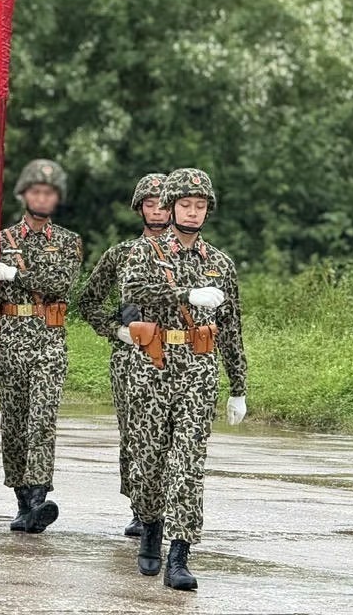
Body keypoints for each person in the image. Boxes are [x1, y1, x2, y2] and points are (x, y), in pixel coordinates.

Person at [122, 167, 248, 591]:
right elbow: (133, 290)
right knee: (149, 460)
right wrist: (183, 295)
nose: (193, 213)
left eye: (200, 206)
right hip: (152, 368)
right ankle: (151, 527)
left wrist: (239, 387)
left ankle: (180, 554)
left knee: (189, 463)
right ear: (171, 207)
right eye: (185, 205)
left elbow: (231, 327)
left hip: (198, 368)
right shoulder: (146, 252)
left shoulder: (221, 264)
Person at [0, 159, 82, 534]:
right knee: (15, 422)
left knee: (42, 420)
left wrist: (16, 273)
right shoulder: (0, 240)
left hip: (49, 340)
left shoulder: (68, 242)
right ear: (23, 195)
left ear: (57, 199)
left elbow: (61, 284)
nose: (42, 197)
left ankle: (38, 496)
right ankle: (21, 500)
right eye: (35, 191)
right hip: (10, 338)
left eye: (49, 193)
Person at [78, 172, 169, 538]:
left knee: (170, 434)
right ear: (140, 209)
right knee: (133, 432)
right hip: (132, 356)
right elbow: (88, 302)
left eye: (164, 204)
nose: (158, 212)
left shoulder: (196, 256)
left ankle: (167, 506)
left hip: (177, 354)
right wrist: (115, 330)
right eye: (150, 204)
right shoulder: (121, 254)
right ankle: (140, 506)